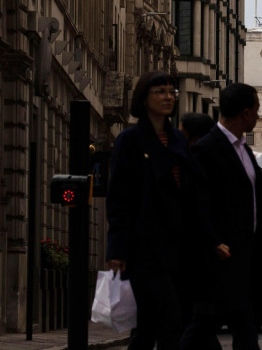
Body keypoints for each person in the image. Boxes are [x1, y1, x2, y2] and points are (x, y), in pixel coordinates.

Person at [106, 71, 204, 349]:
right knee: (169, 320)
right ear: (144, 98)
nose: (168, 97)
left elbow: (192, 194)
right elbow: (119, 199)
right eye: (160, 91)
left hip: (179, 248)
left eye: (172, 91)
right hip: (145, 248)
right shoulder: (131, 140)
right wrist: (117, 250)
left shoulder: (178, 140)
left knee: (149, 325)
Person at [181, 83, 262, 350]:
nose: (259, 116)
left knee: (245, 329)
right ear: (246, 113)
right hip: (219, 261)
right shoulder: (206, 149)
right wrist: (213, 241)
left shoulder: (246, 152)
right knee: (202, 326)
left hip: (246, 263)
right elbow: (195, 205)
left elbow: (257, 211)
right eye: (257, 110)